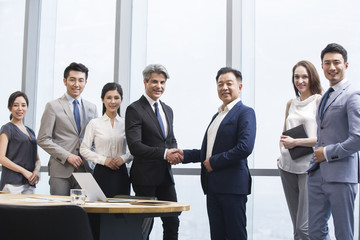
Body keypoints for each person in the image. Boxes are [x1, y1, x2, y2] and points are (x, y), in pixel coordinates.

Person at [178, 67, 256, 240]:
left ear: (240, 87)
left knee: (236, 235)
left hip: (233, 187)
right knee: (217, 236)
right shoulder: (217, 116)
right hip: (213, 186)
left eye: (229, 83)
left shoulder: (245, 112)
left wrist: (214, 162)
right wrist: (185, 155)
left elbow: (245, 147)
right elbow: (208, 152)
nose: (224, 88)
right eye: (220, 84)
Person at [306, 43, 360, 239]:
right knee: (314, 232)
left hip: (341, 176)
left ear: (346, 65)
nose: (332, 67)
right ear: (321, 66)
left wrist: (327, 153)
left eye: (336, 62)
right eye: (327, 63)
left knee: (344, 233)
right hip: (317, 175)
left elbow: (358, 138)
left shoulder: (352, 95)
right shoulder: (323, 98)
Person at [125, 64, 182, 240]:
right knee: (144, 225)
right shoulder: (134, 109)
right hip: (145, 177)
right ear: (145, 82)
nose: (159, 86)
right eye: (154, 82)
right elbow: (135, 146)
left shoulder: (168, 110)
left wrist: (175, 153)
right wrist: (165, 154)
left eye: (162, 82)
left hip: (166, 175)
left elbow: (169, 139)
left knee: (173, 220)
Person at [37, 62, 98, 196]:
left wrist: (90, 159)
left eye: (80, 80)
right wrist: (67, 156)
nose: (76, 84)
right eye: (72, 79)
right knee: (59, 213)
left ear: (85, 82)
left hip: (85, 169)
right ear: (65, 81)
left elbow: (95, 140)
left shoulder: (92, 108)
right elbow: (42, 139)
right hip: (61, 170)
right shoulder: (53, 106)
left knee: (83, 213)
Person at [278, 60, 322, 240]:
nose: (300, 80)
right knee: (296, 225)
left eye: (304, 76)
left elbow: (322, 139)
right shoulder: (291, 103)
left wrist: (296, 142)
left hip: (308, 168)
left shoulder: (319, 101)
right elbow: (283, 134)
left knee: (304, 227)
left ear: (312, 78)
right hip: (287, 167)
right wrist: (281, 154)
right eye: (297, 77)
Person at [80, 82, 132, 197]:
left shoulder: (127, 124)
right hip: (101, 172)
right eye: (109, 98)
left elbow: (135, 149)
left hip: (121, 172)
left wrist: (123, 158)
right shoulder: (94, 123)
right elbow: (84, 149)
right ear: (102, 99)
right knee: (99, 211)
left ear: (121, 100)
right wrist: (104, 160)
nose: (113, 102)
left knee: (121, 211)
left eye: (116, 98)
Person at [0, 91, 40, 194]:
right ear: (10, 108)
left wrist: (36, 171)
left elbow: (37, 159)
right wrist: (24, 171)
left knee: (30, 210)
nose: (20, 109)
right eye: (15, 105)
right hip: (12, 183)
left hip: (29, 183)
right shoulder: (7, 128)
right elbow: (1, 158)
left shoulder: (31, 132)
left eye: (23, 105)